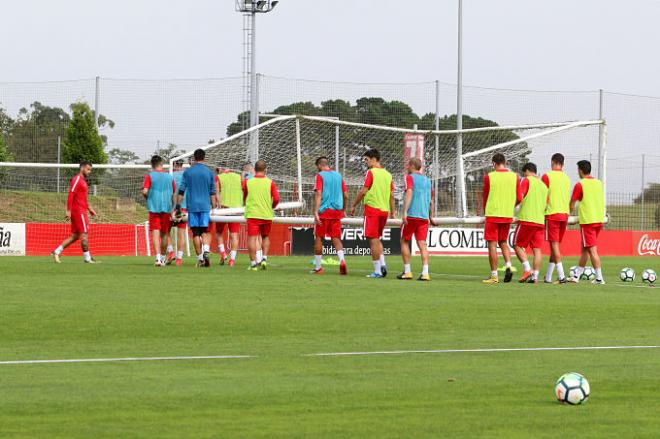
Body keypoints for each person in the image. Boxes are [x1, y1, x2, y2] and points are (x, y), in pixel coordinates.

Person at [350, 148, 395, 279]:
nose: (365, 162)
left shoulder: (371, 173)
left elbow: (364, 191)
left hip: (372, 210)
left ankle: (377, 271)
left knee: (373, 239)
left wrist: (353, 205)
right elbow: (392, 196)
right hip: (384, 211)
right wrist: (392, 212)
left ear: (374, 159)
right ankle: (382, 264)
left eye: (366, 159)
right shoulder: (388, 174)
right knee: (377, 238)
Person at [482, 153, 521, 284]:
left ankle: (494, 275)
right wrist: (511, 206)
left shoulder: (489, 177)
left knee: (492, 244)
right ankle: (508, 265)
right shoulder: (515, 177)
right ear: (505, 162)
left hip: (493, 214)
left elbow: (485, 197)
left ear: (493, 163)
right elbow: (519, 198)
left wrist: (484, 212)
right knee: (503, 242)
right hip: (507, 214)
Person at [51, 161, 98, 263]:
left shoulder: (83, 181)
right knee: (84, 234)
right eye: (88, 169)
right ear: (82, 168)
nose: (89, 172)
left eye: (90, 170)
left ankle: (56, 251)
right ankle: (87, 258)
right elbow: (71, 194)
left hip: (81, 210)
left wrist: (90, 209)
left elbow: (83, 198)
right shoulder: (77, 179)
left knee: (75, 236)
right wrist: (68, 210)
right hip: (78, 212)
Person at [397, 158, 436, 281]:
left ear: (412, 166)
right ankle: (425, 273)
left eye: (408, 165)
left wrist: (405, 212)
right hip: (424, 217)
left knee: (404, 241)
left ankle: (407, 271)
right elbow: (431, 201)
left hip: (412, 215)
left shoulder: (410, 178)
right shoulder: (428, 181)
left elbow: (409, 193)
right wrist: (430, 217)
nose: (407, 167)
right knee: (422, 244)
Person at [176, 149, 216, 267]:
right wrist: (214, 207)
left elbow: (181, 190)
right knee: (205, 231)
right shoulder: (209, 173)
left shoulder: (188, 172)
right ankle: (206, 250)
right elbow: (212, 192)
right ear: (204, 157)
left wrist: (178, 206)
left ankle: (200, 259)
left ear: (194, 157)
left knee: (196, 233)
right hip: (205, 206)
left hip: (192, 206)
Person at [568, 160, 606, 284]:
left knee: (592, 250)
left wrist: (568, 215)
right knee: (585, 249)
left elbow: (572, 203)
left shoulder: (580, 184)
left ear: (580, 170)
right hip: (598, 220)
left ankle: (599, 278)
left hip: (588, 222)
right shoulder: (598, 183)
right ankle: (577, 276)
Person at [311, 156, 348, 275]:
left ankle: (318, 268)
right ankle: (342, 261)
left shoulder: (320, 175)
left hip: (324, 211)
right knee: (336, 238)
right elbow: (345, 195)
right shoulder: (338, 175)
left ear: (319, 166)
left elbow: (319, 193)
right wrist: (344, 209)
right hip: (337, 211)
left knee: (319, 238)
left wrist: (316, 211)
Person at [513, 163, 548, 284]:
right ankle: (535, 276)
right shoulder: (543, 186)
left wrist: (514, 208)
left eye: (524, 173)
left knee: (516, 245)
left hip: (527, 219)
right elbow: (546, 205)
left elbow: (519, 197)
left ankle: (527, 269)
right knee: (537, 249)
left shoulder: (526, 181)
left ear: (527, 171)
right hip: (540, 221)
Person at [243, 160, 280, 271]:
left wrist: (247, 204)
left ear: (254, 169)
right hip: (266, 214)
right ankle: (264, 258)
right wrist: (272, 206)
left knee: (252, 239)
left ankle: (253, 264)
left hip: (253, 214)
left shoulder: (248, 182)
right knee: (265, 237)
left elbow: (244, 197)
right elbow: (277, 198)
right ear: (265, 170)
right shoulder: (270, 182)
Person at [541, 153, 571, 284]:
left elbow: (543, 196)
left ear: (552, 162)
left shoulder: (547, 176)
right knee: (556, 246)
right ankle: (548, 276)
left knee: (554, 245)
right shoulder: (566, 178)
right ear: (563, 164)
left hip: (552, 213)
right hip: (564, 214)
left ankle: (562, 276)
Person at [142, 155, 176, 266]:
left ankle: (157, 258)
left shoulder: (149, 176)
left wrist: (148, 199)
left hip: (154, 208)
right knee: (165, 234)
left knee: (156, 233)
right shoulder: (169, 177)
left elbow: (145, 191)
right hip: (166, 208)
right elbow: (173, 194)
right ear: (161, 164)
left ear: (152, 165)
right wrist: (173, 208)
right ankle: (162, 257)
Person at [216, 167, 243, 267]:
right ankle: (232, 260)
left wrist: (219, 206)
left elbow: (217, 193)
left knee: (218, 232)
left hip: (224, 207)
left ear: (220, 169)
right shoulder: (239, 177)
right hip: (236, 208)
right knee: (234, 235)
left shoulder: (218, 177)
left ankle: (223, 253)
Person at [170, 159, 187, 266]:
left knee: (165, 231)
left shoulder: (171, 176)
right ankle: (179, 258)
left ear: (174, 164)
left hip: (173, 208)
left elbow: (171, 192)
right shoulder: (187, 175)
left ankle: (171, 252)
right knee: (181, 233)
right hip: (184, 207)